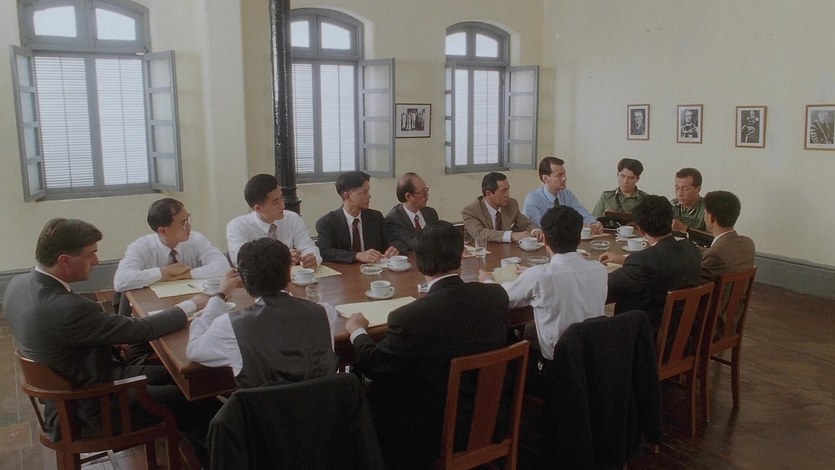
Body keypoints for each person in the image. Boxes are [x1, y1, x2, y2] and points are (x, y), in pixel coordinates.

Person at [4, 218, 216, 455]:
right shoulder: (68, 308)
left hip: (67, 395)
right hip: (92, 407)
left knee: (178, 376)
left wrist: (109, 340)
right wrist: (192, 304)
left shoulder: (19, 285)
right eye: (91, 254)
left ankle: (195, 445)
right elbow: (142, 330)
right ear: (64, 260)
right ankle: (212, 457)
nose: (96, 261)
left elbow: (63, 337)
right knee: (195, 398)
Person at [344, 221, 510, 468]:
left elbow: (375, 366)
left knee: (375, 390)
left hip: (431, 433)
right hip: (493, 417)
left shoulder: (410, 317)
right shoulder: (497, 296)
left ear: (419, 263)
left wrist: (357, 330)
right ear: (460, 257)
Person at [478, 206, 606, 388]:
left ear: (544, 239)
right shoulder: (599, 269)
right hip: (595, 361)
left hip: (556, 370)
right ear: (579, 238)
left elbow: (502, 299)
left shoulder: (540, 276)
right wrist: (533, 273)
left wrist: (487, 280)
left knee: (510, 338)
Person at [186, 238, 337, 388]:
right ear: (289, 273)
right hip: (321, 401)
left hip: (264, 404)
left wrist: (220, 295)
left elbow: (194, 349)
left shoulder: (231, 326)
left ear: (242, 281)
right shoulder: (325, 313)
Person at [601, 195, 702, 329]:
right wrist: (625, 260)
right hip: (683, 331)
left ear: (641, 230)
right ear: (671, 223)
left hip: (644, 335)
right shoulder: (691, 249)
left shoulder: (642, 262)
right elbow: (663, 263)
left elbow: (604, 287)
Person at [113, 198, 229, 293]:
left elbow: (224, 267)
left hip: (193, 297)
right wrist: (163, 272)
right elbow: (120, 281)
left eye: (188, 219)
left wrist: (187, 274)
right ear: (163, 231)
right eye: (183, 223)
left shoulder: (196, 239)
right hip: (154, 303)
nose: (189, 226)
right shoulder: (141, 247)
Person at [226, 173, 320, 269]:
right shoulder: (238, 226)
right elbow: (241, 262)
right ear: (258, 208)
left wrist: (312, 259)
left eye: (281, 198)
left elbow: (308, 247)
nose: (283, 205)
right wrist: (281, 257)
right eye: (276, 202)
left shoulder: (292, 219)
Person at [315, 171, 399, 263]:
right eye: (364, 193)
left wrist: (393, 248)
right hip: (344, 271)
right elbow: (324, 252)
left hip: (375, 269)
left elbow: (391, 241)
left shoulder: (376, 217)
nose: (369, 196)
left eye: (368, 191)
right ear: (347, 196)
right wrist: (357, 255)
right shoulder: (327, 223)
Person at [522, 156, 603, 233]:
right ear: (545, 178)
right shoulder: (533, 198)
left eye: (564, 174)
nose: (565, 178)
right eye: (559, 175)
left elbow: (582, 213)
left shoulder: (567, 194)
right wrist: (578, 226)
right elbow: (540, 227)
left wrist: (593, 223)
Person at [462, 171, 543, 243]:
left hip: (506, 252)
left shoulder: (511, 204)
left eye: (508, 190)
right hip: (481, 252)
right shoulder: (471, 211)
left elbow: (525, 223)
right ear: (488, 193)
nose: (508, 195)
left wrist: (534, 230)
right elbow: (479, 233)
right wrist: (511, 235)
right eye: (503, 191)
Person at [700, 190, 755, 281]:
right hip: (738, 290)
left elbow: (697, 284)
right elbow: (717, 251)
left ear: (711, 218)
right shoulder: (748, 243)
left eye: (705, 212)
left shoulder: (715, 255)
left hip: (714, 291)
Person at [384, 172, 440, 253]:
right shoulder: (393, 219)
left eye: (426, 190)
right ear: (408, 196)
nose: (427, 196)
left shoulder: (430, 213)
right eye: (423, 192)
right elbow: (412, 244)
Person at [671, 167, 707, 232]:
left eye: (685, 189)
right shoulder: (672, 206)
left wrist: (684, 228)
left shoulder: (707, 209)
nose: (679, 194)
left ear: (698, 189)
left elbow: (714, 237)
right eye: (677, 188)